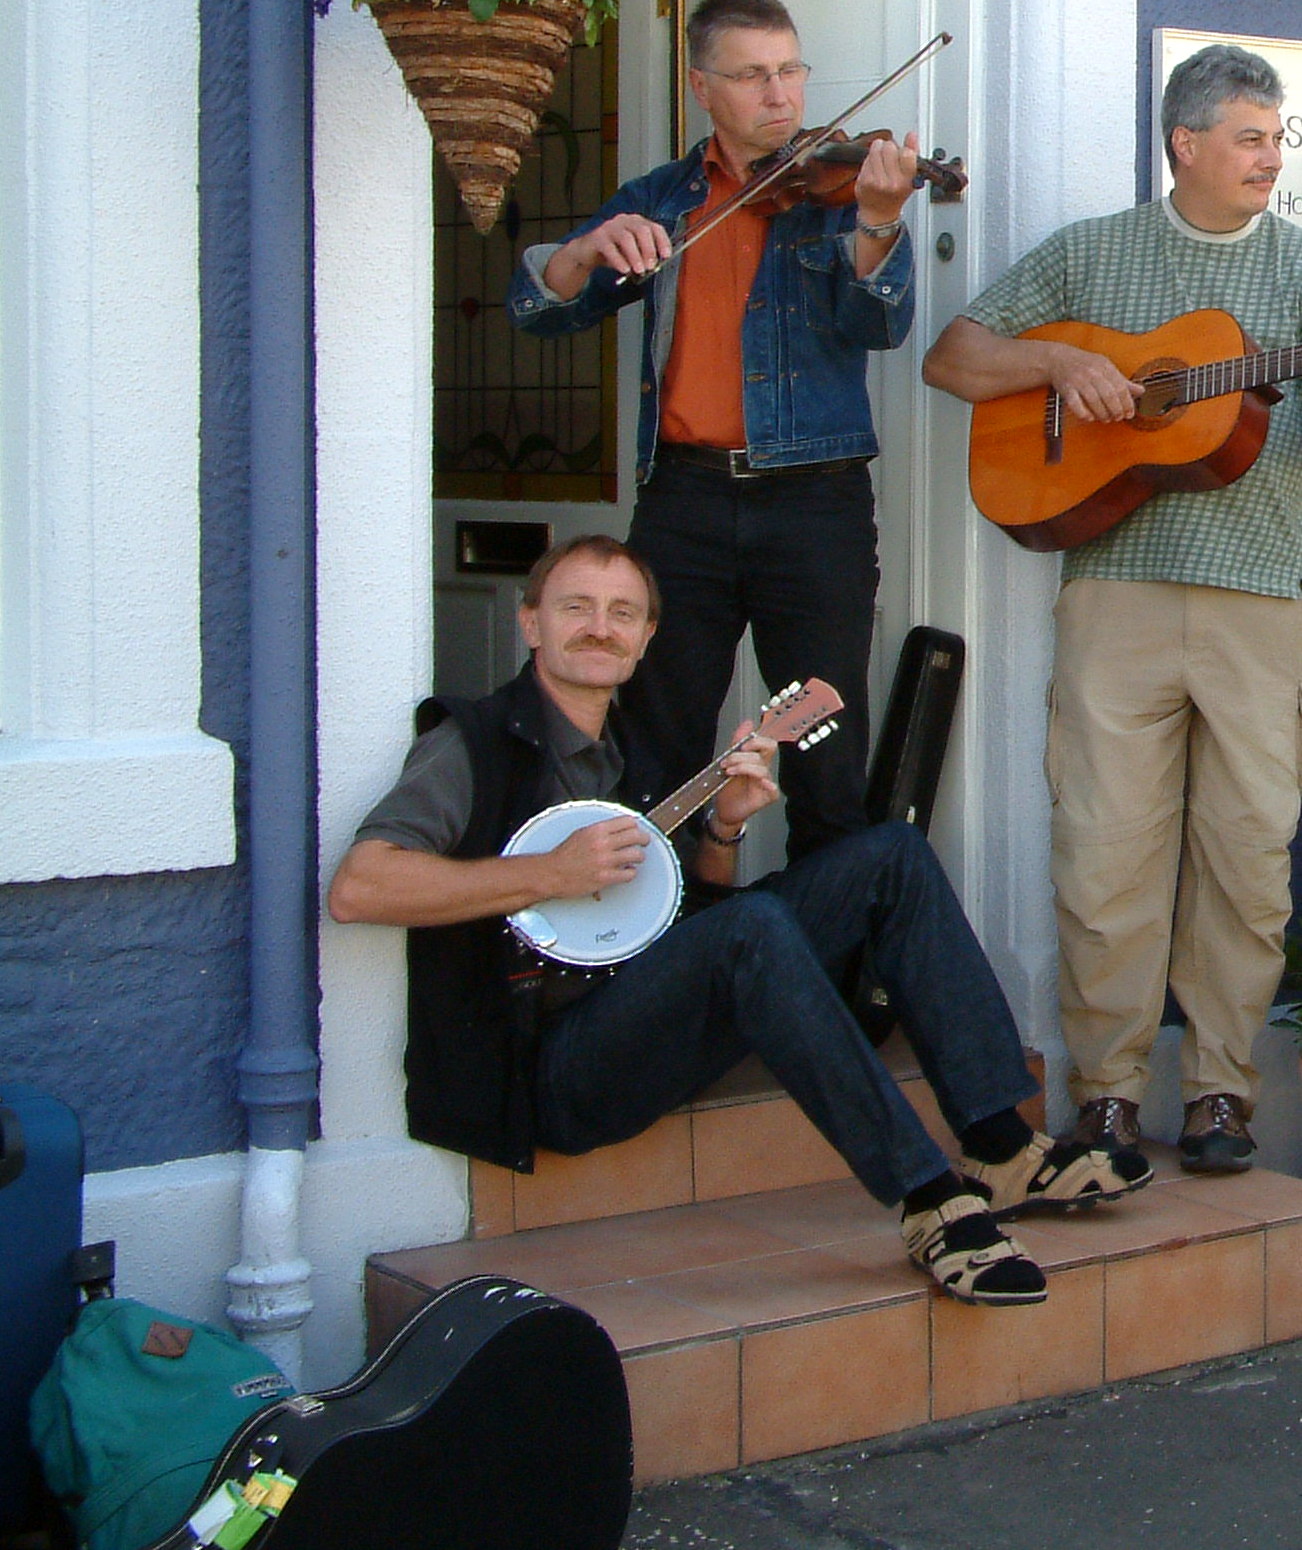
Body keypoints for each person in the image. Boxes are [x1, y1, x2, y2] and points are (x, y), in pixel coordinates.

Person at [329, 534, 1148, 1306]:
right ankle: (929, 1199)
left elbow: (684, 914)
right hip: (545, 1068)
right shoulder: (471, 741)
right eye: (576, 607)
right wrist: (548, 873)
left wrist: (722, 827)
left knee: (890, 855)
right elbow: (359, 889)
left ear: (647, 639)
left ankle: (999, 1144)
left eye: (623, 614)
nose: (599, 629)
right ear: (529, 621)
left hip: (642, 1016)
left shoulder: (637, 755)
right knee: (754, 929)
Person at [922, 43, 1302, 1172]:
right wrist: (1056, 363)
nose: (1271, 155)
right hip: (1113, 590)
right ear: (1184, 144)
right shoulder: (1093, 253)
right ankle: (1103, 1092)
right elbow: (955, 360)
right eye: (1249, 136)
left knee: (1248, 856)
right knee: (1105, 850)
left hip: (1260, 599)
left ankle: (1218, 1095)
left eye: (1277, 133)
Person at [509, 0, 920, 864]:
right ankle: (671, 950)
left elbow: (879, 327)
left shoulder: (842, 192)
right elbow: (541, 314)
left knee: (821, 740)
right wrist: (584, 251)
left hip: (815, 506)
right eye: (753, 77)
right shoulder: (661, 199)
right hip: (685, 504)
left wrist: (880, 223)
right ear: (703, 87)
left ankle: (820, 962)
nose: (780, 97)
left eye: (791, 72)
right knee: (658, 737)